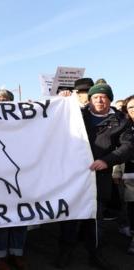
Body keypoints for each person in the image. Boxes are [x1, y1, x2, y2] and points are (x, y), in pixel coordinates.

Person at [57, 83, 134, 270]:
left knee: (95, 219)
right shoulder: (76, 115)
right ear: (89, 99)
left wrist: (107, 160)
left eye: (104, 97)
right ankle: (65, 252)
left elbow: (128, 147)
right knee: (70, 218)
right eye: (95, 97)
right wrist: (62, 100)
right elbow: (53, 122)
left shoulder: (120, 121)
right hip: (73, 177)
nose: (100, 100)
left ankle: (94, 253)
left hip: (100, 178)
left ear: (109, 99)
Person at [0, 89, 28, 270]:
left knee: (21, 215)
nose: (1, 101)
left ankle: (16, 253)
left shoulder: (21, 119)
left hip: (22, 172)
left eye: (5, 99)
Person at [112, 95, 134, 254]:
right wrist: (116, 171)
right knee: (132, 209)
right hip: (130, 177)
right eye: (131, 107)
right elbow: (118, 151)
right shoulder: (124, 128)